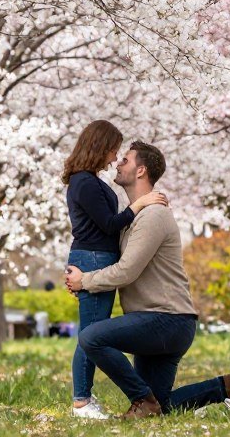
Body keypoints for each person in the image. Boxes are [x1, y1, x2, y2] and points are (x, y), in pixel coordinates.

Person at [65, 141, 230, 419]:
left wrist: (86, 281)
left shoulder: (153, 215)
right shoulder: (132, 217)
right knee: (161, 406)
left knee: (91, 338)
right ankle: (228, 386)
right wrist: (80, 272)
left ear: (141, 171)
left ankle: (141, 399)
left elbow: (126, 270)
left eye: (126, 160)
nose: (118, 163)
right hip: (157, 322)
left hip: (166, 320)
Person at [64, 120, 169, 420]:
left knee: (92, 331)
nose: (114, 158)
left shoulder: (89, 180)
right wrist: (141, 204)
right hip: (94, 258)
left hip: (96, 258)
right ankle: (82, 402)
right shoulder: (84, 181)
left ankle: (83, 399)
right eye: (113, 151)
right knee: (92, 333)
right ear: (100, 147)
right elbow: (109, 224)